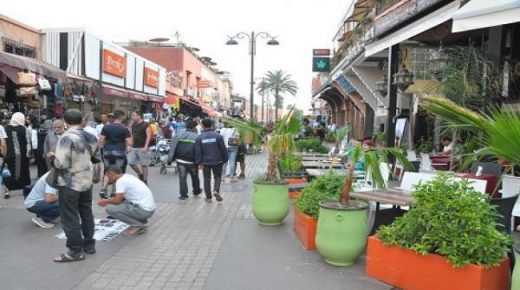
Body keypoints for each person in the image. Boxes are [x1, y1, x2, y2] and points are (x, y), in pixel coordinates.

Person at [50, 109, 97, 263]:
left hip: (70, 182)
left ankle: (75, 251)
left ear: (65, 121)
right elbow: (93, 156)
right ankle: (89, 245)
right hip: (86, 180)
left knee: (69, 216)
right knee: (86, 212)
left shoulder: (66, 137)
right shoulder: (91, 136)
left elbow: (61, 163)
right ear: (81, 120)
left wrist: (53, 160)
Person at [97, 166, 156, 235]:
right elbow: (120, 198)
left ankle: (136, 225)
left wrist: (105, 201)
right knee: (119, 204)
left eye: (108, 176)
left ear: (112, 174)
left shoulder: (121, 181)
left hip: (144, 211)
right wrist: (108, 200)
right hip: (149, 209)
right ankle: (140, 220)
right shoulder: (127, 177)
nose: (109, 179)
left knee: (110, 209)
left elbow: (117, 201)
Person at [98, 110, 132, 197]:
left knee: (107, 171)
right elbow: (130, 142)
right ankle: (114, 193)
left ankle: (103, 189)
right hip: (119, 153)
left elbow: (101, 140)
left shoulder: (106, 127)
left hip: (107, 152)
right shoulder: (125, 129)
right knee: (118, 173)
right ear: (122, 117)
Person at [195, 119, 228, 203]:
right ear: (211, 125)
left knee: (207, 179)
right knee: (217, 177)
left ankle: (208, 197)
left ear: (202, 125)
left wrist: (198, 162)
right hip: (218, 160)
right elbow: (223, 149)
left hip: (205, 161)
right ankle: (216, 190)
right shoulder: (218, 136)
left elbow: (198, 151)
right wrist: (225, 159)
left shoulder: (199, 137)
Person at [168, 120, 201, 200]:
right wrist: (199, 161)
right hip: (192, 161)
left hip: (180, 160)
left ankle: (183, 195)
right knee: (195, 176)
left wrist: (169, 160)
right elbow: (199, 151)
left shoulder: (178, 135)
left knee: (182, 177)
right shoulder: (197, 137)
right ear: (194, 127)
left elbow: (172, 148)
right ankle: (196, 191)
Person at [3, 112, 31, 199]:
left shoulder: (5, 128)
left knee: (8, 172)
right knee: (23, 172)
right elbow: (28, 142)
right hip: (21, 155)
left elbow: (3, 142)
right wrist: (30, 154)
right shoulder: (24, 129)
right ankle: (25, 189)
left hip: (9, 154)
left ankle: (7, 191)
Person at [128, 111, 152, 183]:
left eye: (133, 115)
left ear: (138, 116)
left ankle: (145, 180)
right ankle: (140, 174)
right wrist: (129, 145)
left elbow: (148, 136)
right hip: (134, 147)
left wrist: (146, 146)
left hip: (142, 147)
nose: (132, 117)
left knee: (144, 165)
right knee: (130, 162)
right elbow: (131, 135)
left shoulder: (146, 124)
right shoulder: (133, 124)